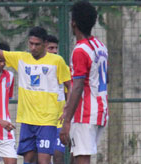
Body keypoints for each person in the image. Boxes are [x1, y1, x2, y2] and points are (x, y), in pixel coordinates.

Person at [0, 10, 71, 164]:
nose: (33, 47)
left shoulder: (56, 61)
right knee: (28, 159)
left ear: (45, 44)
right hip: (27, 121)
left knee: (44, 160)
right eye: (31, 43)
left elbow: (69, 86)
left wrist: (67, 110)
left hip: (47, 121)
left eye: (37, 44)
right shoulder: (21, 58)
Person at [60, 1, 109, 164]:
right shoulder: (100, 46)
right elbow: (105, 79)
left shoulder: (80, 50)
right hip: (101, 109)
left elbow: (78, 86)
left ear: (73, 22)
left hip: (85, 113)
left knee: (82, 157)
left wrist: (67, 120)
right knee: (76, 154)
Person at [46, 34, 67, 164]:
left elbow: (69, 92)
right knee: (41, 157)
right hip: (43, 120)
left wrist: (67, 111)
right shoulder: (37, 69)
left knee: (58, 154)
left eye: (56, 48)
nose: (54, 51)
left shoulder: (63, 68)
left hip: (60, 120)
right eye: (51, 48)